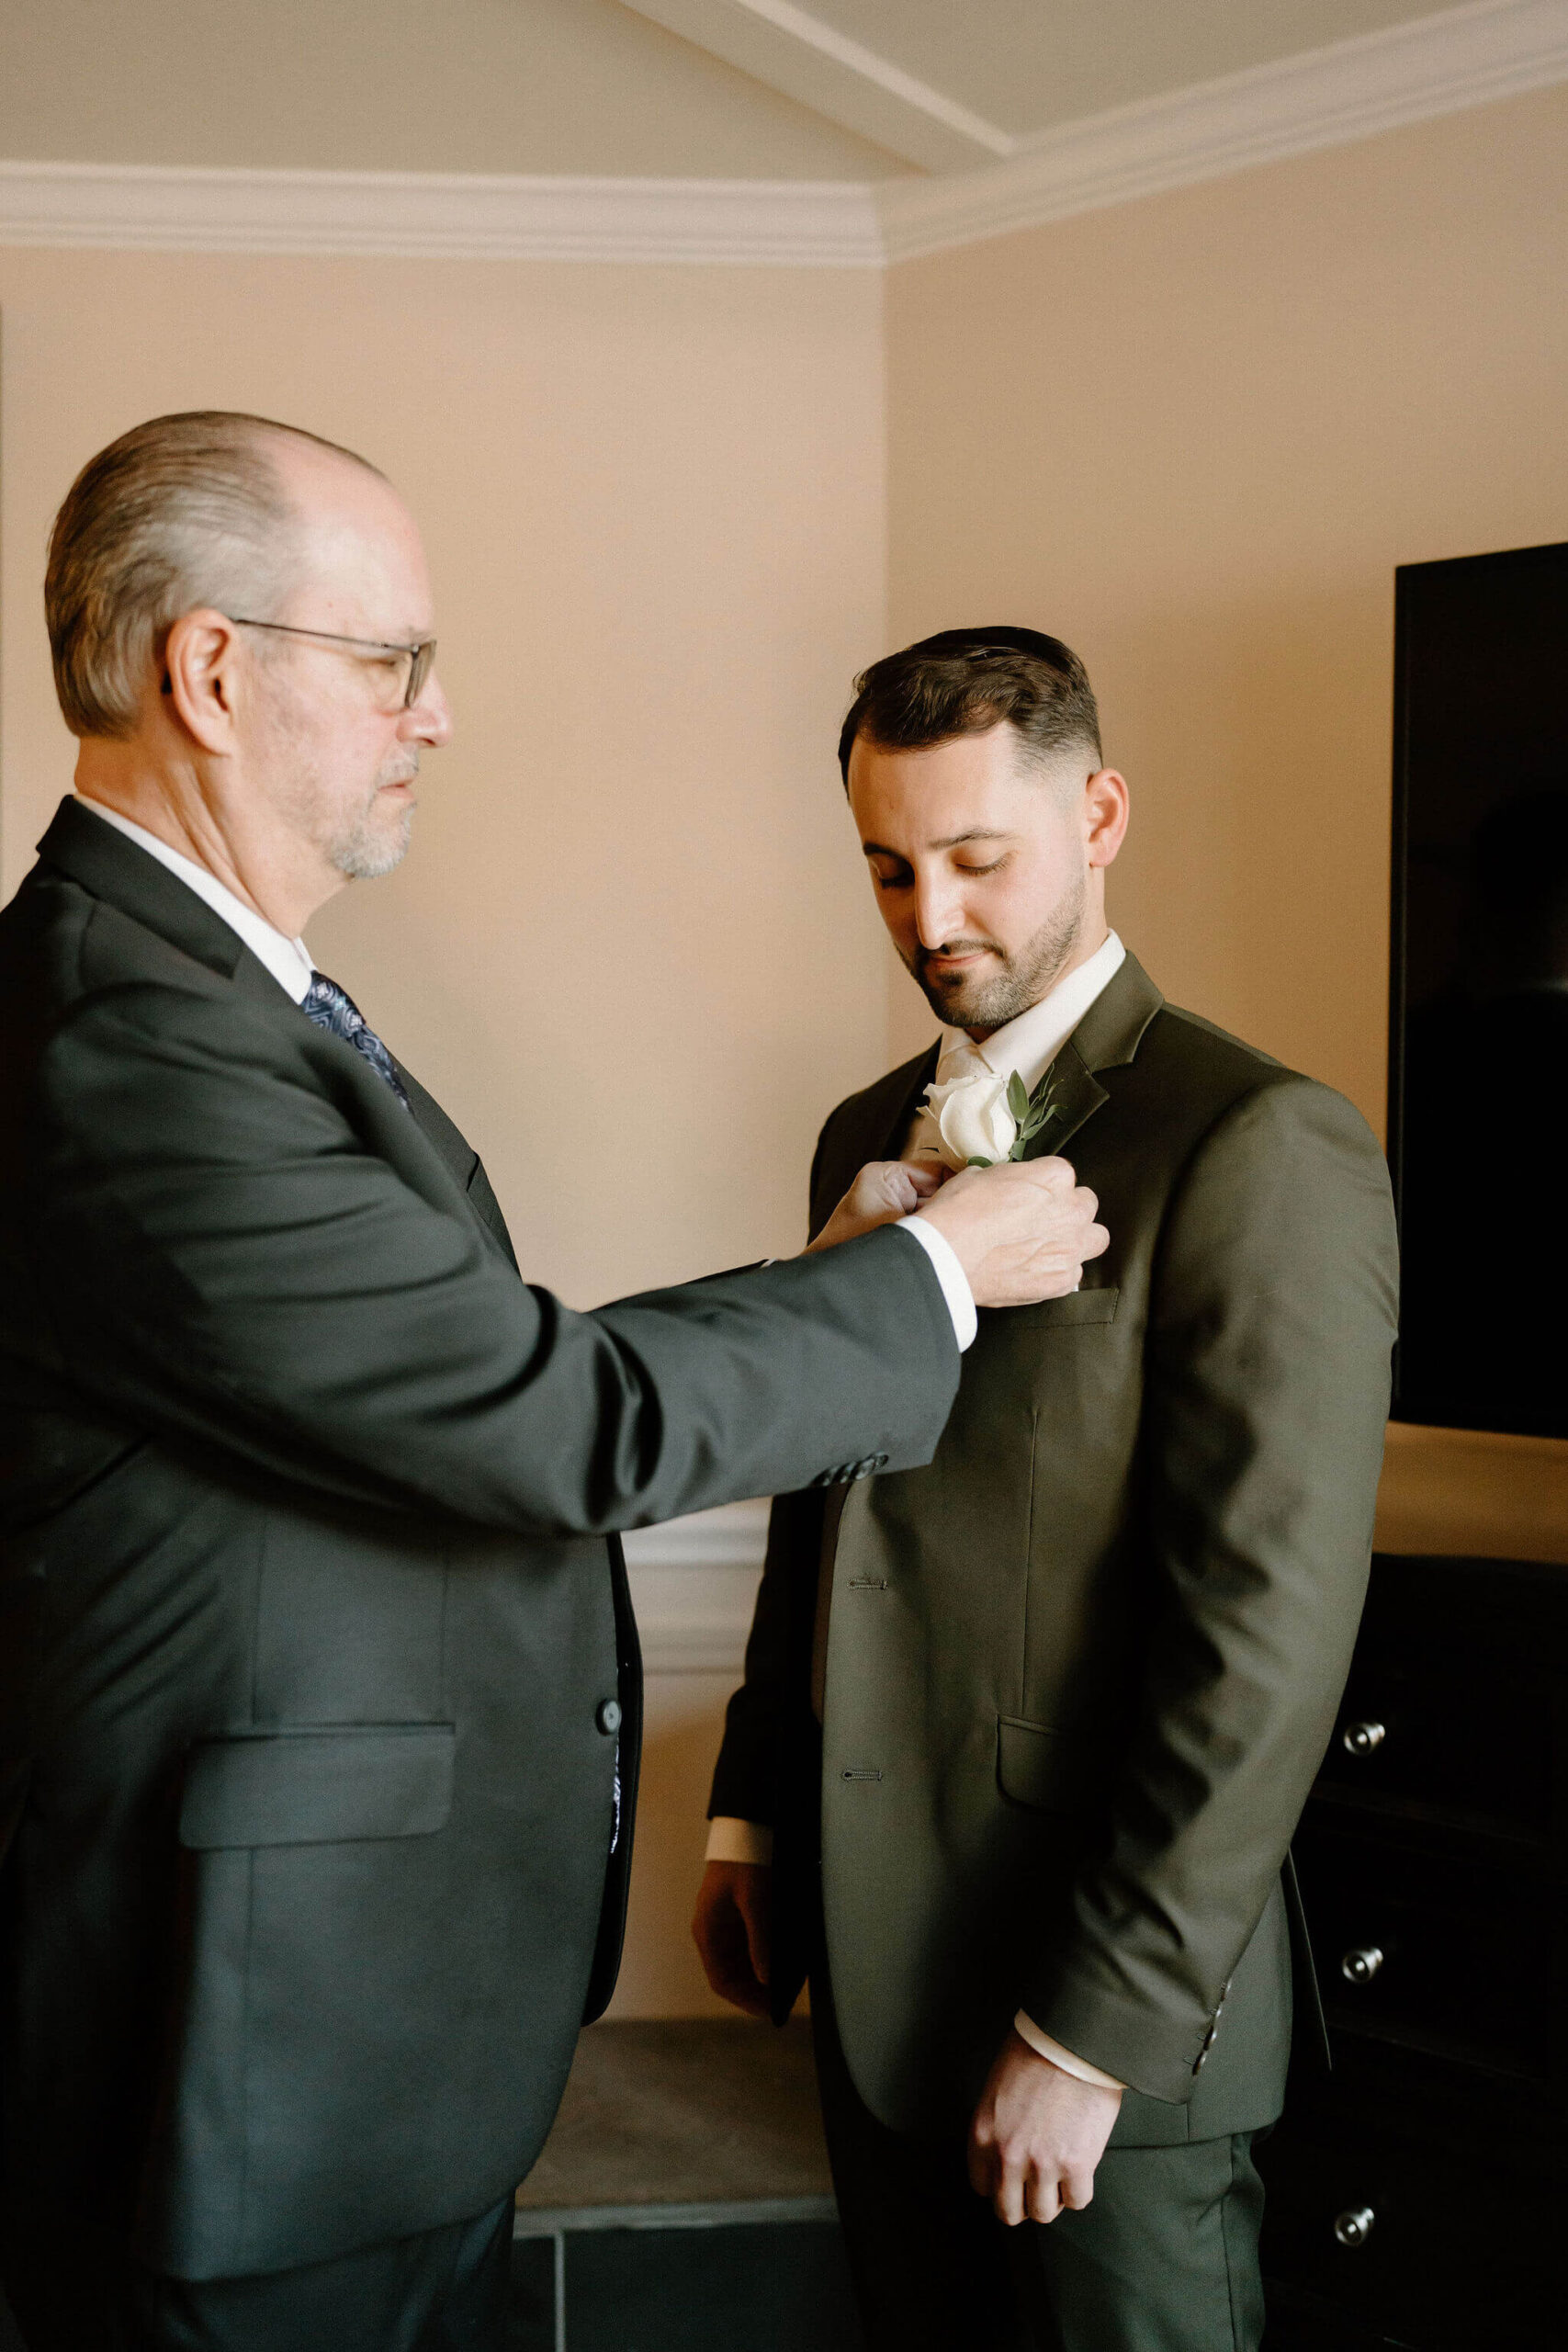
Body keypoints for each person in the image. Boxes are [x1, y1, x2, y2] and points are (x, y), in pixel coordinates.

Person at [0, 432, 1108, 2352]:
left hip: (341, 2041)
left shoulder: (206, 997)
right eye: (391, 662)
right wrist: (935, 1271)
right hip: (254, 2061)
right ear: (210, 670)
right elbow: (541, 1419)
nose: (439, 716)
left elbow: (436, 1368)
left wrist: (835, 1276)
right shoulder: (133, 1037)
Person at [694, 627, 1399, 2351]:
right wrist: (756, 1810)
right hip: (874, 1971)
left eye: (975, 858)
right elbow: (826, 1506)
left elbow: (1264, 1651)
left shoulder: (1259, 1145)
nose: (931, 916)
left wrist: (1093, 2035)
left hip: (1111, 2032)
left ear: (1100, 814)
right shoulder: (860, 1127)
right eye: (887, 868)